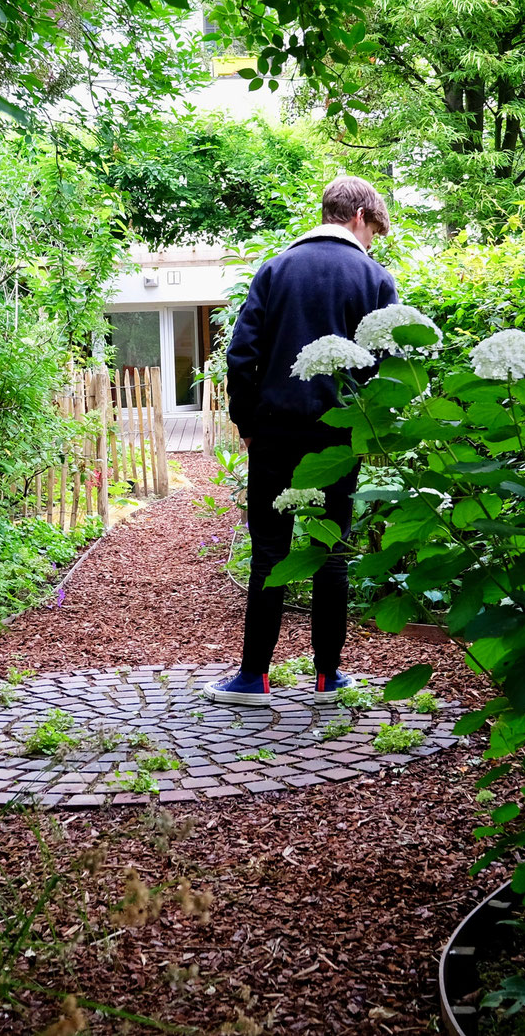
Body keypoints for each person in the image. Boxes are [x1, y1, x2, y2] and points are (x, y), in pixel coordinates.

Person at [203, 176, 397, 707]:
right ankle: (327, 678)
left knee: (269, 551)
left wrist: (247, 422)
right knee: (330, 551)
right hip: (338, 435)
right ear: (359, 216)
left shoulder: (275, 269)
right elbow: (387, 362)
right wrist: (368, 427)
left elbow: (242, 353)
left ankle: (252, 678)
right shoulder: (374, 277)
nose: (373, 240)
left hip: (274, 430)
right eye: (374, 229)